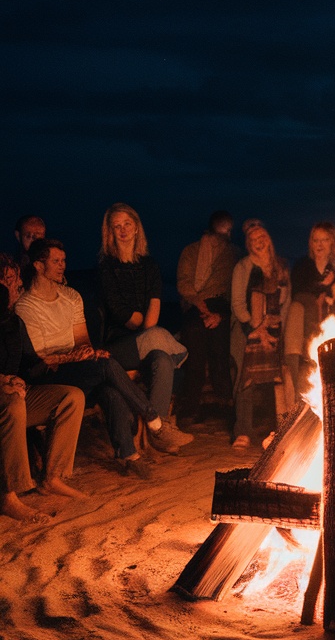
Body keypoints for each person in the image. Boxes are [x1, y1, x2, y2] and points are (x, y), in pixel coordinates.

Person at [16, 238, 185, 477]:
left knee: (110, 389)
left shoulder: (71, 297)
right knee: (105, 366)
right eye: (55, 261)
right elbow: (44, 358)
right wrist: (80, 357)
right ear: (38, 266)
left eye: (64, 260)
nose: (62, 265)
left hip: (77, 368)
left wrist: (89, 351)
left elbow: (82, 340)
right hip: (49, 375)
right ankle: (154, 420)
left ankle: (129, 456)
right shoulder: (26, 306)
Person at [0, 259, 85, 521]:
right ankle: (8, 496)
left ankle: (52, 477)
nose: (18, 286)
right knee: (13, 403)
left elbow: (27, 362)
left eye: (15, 280)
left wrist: (64, 360)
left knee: (71, 397)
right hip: (5, 394)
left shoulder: (13, 320)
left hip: (13, 388)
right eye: (9, 281)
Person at [99, 203, 189, 432]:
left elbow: (153, 313)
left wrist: (146, 323)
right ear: (110, 231)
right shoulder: (106, 267)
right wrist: (144, 322)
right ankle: (180, 351)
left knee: (162, 359)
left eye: (127, 224)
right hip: (118, 345)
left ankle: (158, 430)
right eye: (116, 226)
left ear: (137, 228)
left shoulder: (150, 266)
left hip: (148, 339)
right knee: (159, 338)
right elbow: (125, 318)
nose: (123, 230)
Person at [230, 221, 290, 451]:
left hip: (275, 329)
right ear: (248, 245)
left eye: (262, 236)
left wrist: (276, 331)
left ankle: (280, 429)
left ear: (269, 239)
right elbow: (237, 303)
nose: (259, 242)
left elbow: (285, 302)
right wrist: (256, 329)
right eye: (253, 240)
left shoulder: (281, 267)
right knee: (246, 377)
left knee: (278, 379)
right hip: (248, 328)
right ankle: (242, 431)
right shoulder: (243, 267)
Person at [176, 211, 239, 423]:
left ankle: (225, 403)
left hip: (221, 306)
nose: (228, 234)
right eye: (225, 229)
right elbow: (184, 282)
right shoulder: (192, 252)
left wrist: (219, 315)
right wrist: (201, 306)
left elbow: (235, 293)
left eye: (230, 229)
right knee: (195, 348)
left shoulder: (232, 255)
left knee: (219, 349)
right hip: (196, 304)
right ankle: (191, 406)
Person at [283, 222, 335, 398]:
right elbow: (299, 291)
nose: (319, 245)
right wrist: (325, 287)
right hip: (308, 321)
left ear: (333, 242)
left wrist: (327, 291)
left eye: (324, 240)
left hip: (333, 319)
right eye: (316, 240)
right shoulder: (302, 266)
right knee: (299, 306)